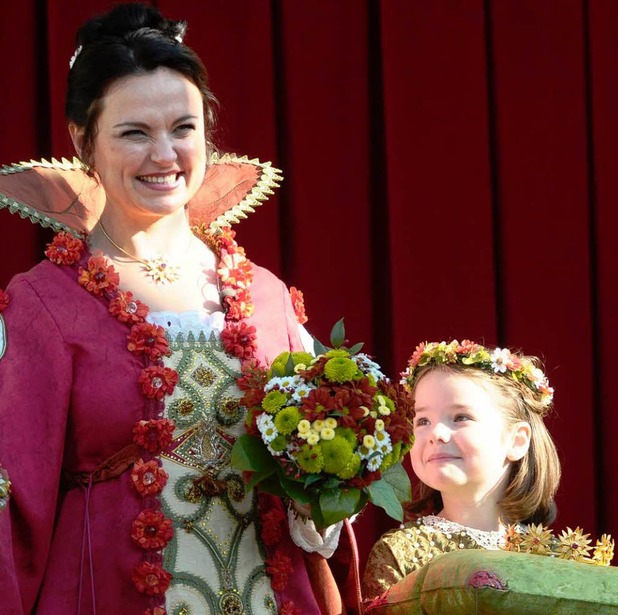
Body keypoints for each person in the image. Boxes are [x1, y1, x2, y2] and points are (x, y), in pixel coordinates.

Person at [0, 4, 357, 614]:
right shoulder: (44, 303)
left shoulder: (266, 297)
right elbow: (14, 501)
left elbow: (319, 508)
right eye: (134, 133)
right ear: (83, 140)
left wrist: (324, 495)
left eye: (183, 128)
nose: (164, 155)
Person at [362, 339, 561, 600]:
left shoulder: (554, 556)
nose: (436, 433)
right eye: (422, 420)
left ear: (517, 440)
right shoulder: (401, 553)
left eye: (460, 417)